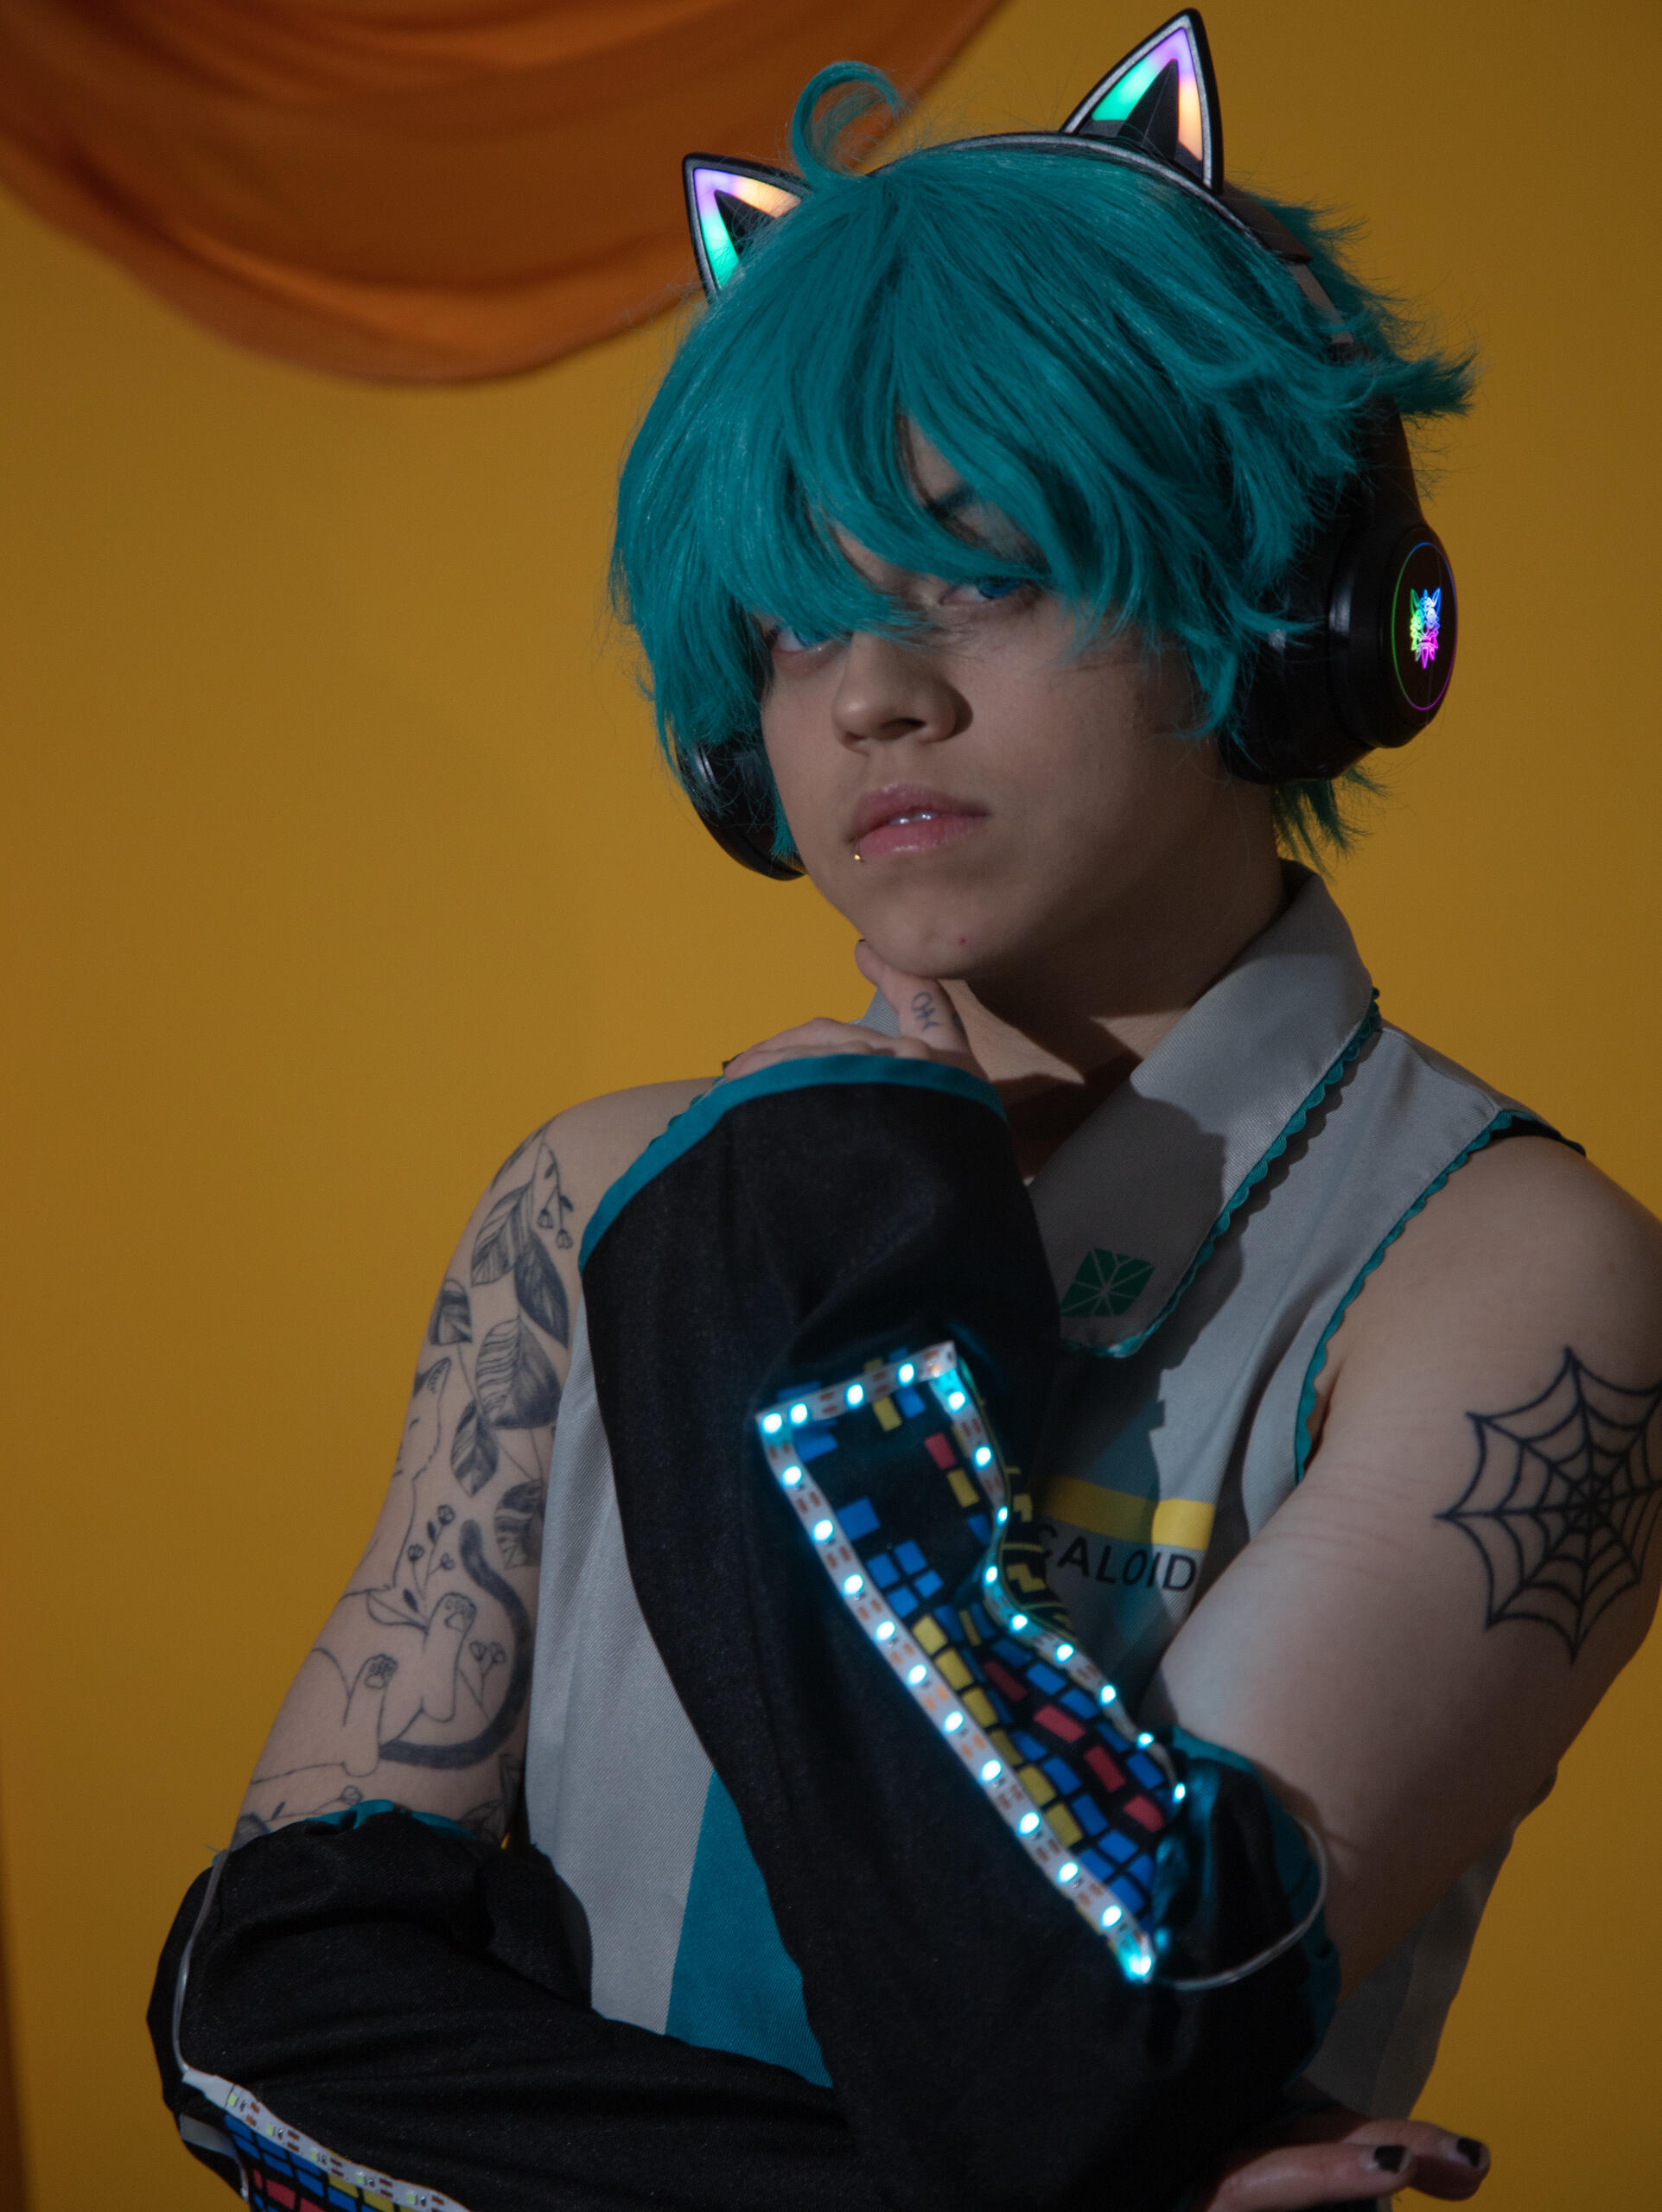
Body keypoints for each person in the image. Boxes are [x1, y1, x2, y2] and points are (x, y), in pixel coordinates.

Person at [151, 14, 1661, 2211]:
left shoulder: (1501, 1272)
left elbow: (1078, 2034)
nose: (869, 694)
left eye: (986, 572)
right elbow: (262, 2027)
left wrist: (814, 1285)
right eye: (792, 624)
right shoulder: (602, 1195)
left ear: (1285, 610)